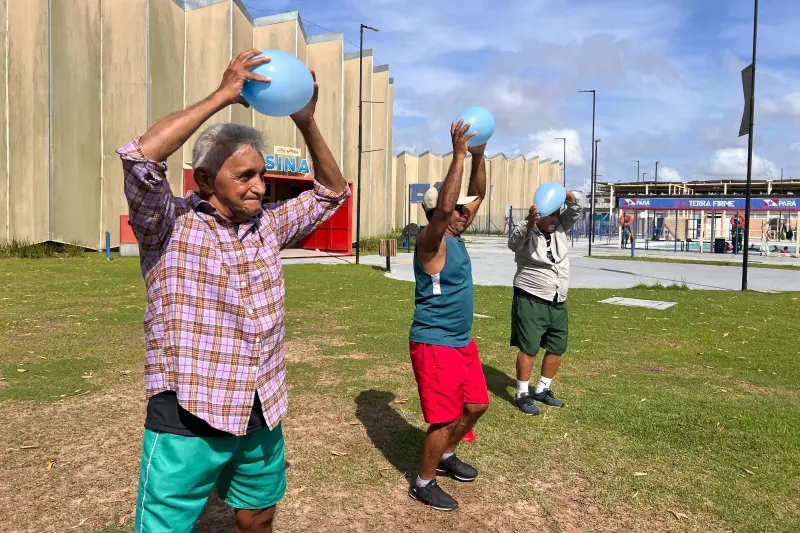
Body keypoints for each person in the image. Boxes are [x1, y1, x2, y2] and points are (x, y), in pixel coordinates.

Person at [120, 49, 349, 533]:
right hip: (189, 406)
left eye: (262, 174)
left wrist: (306, 122)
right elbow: (141, 156)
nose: (260, 187)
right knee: (163, 526)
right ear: (205, 179)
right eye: (244, 176)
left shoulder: (268, 225)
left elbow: (331, 191)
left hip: (261, 403)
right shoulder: (169, 225)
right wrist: (223, 96)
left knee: (258, 513)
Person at [407, 120, 489, 512]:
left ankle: (445, 457)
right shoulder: (430, 242)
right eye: (458, 209)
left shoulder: (456, 234)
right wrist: (457, 155)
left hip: (461, 341)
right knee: (443, 418)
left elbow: (480, 193)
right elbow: (444, 209)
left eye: (464, 209)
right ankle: (422, 482)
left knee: (476, 406)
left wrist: (479, 156)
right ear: (440, 212)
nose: (465, 212)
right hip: (434, 342)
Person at [507, 191, 582, 415]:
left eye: (557, 215)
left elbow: (576, 209)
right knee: (529, 348)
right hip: (531, 296)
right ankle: (522, 393)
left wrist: (569, 195)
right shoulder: (526, 230)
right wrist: (530, 222)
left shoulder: (560, 227)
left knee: (557, 347)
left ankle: (543, 389)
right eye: (550, 216)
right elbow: (513, 242)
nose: (554, 220)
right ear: (539, 215)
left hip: (558, 299)